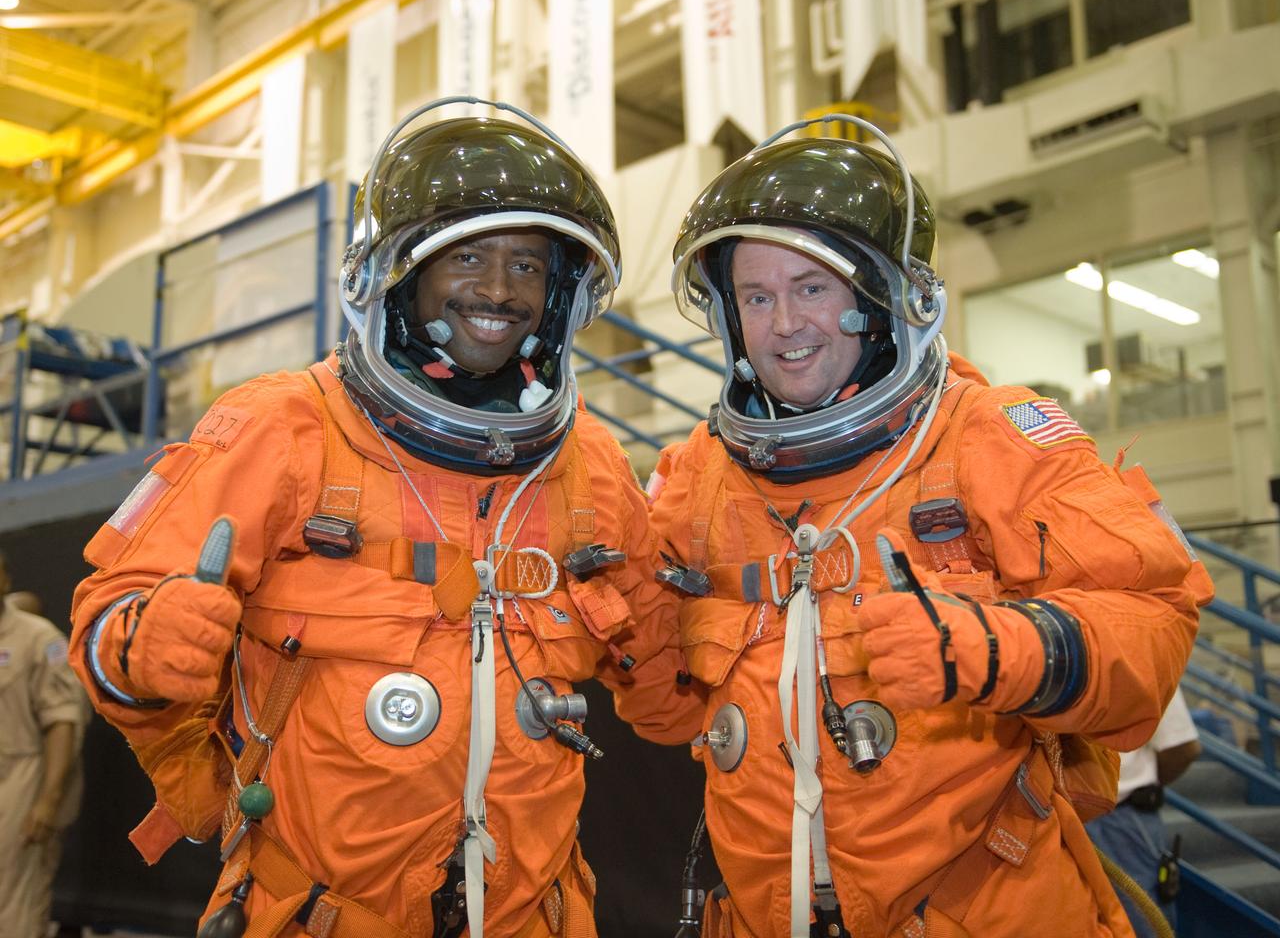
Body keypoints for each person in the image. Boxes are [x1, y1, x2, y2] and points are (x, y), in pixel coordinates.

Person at [68, 102, 700, 938]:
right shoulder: (285, 427)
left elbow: (669, 690)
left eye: (527, 265)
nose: (499, 290)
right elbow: (105, 622)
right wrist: (145, 640)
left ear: (560, 297)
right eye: (466, 256)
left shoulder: (590, 465)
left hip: (529, 914)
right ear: (395, 273)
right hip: (319, 913)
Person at [647, 117, 1214, 937]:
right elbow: (662, 707)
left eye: (812, 288)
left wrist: (997, 650)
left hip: (985, 910)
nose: (783, 324)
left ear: (884, 298)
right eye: (756, 297)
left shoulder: (987, 436)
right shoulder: (699, 477)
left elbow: (1152, 624)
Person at [0, 553, 87, 938]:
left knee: (13, 908)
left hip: (23, 782)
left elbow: (63, 722)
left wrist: (48, 800)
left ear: (5, 579)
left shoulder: (39, 639)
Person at [1088, 686, 1201, 938]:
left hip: (1121, 820)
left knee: (1143, 925)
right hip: (1063, 815)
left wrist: (1136, 785)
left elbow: (1183, 747)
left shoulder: (1144, 667)